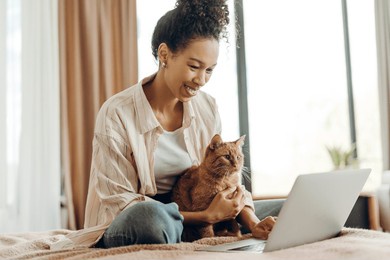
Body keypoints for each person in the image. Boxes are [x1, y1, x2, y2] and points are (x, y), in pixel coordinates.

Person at [53, 0, 276, 250]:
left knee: (285, 206)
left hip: (196, 211)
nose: (201, 80)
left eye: (210, 70)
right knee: (152, 218)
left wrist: (253, 221)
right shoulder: (117, 113)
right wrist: (206, 217)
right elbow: (120, 204)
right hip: (133, 221)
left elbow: (228, 179)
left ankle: (195, 234)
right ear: (164, 55)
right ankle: (186, 233)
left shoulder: (207, 107)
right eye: (194, 67)